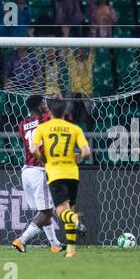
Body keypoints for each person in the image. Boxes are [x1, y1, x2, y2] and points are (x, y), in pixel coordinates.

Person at [30, 99, 91, 258]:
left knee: (60, 212)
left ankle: (75, 218)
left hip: (56, 174)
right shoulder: (74, 128)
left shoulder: (42, 128)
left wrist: (42, 158)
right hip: (72, 174)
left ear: (49, 112)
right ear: (64, 112)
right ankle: (71, 250)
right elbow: (86, 151)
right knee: (69, 208)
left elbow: (33, 148)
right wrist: (79, 158)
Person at [12, 95, 65, 254]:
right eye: (44, 103)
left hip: (26, 170)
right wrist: (58, 101)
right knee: (47, 211)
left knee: (44, 209)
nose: (46, 106)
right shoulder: (46, 118)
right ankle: (21, 241)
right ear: (39, 107)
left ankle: (54, 244)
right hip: (40, 170)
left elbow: (25, 138)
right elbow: (58, 114)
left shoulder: (22, 124)